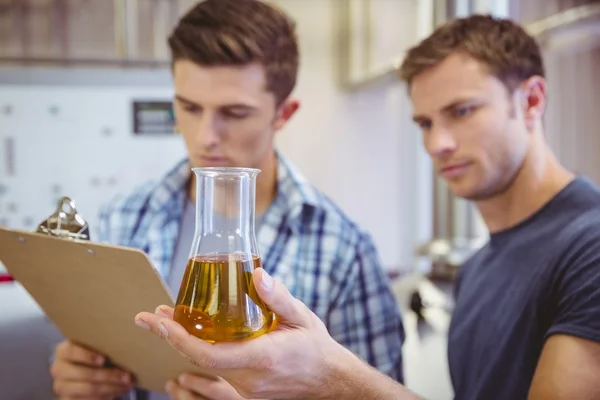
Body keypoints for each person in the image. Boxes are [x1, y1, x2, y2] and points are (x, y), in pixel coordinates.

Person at [135, 13, 600, 400]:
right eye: (423, 122)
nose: (437, 144)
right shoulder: (480, 266)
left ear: (533, 99)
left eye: (462, 111)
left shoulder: (591, 245)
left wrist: (328, 375)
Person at [48, 0, 405, 399]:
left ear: (283, 113)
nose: (205, 137)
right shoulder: (124, 218)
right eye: (189, 108)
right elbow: (111, 356)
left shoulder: (343, 249)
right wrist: (85, 379)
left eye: (234, 113)